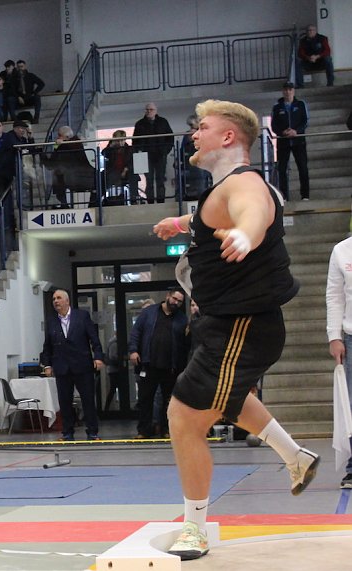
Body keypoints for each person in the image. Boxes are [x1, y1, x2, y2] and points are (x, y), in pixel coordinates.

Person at [151, 99, 318, 560]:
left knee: (184, 416)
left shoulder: (245, 183)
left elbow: (253, 210)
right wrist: (179, 223)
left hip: (243, 325)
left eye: (202, 127)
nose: (193, 134)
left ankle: (194, 528)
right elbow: (212, 216)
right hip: (228, 324)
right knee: (228, 397)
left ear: (228, 137)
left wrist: (247, 234)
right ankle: (296, 457)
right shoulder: (220, 191)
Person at [39, 290, 104, 440]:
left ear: (67, 301)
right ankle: (67, 433)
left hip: (82, 365)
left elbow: (94, 338)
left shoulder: (82, 316)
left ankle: (92, 432)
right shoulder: (52, 321)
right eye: (54, 299)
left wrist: (98, 357)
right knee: (65, 402)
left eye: (59, 298)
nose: (56, 301)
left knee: (88, 400)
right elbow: (47, 346)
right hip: (62, 367)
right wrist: (47, 365)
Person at [128, 287, 189, 439]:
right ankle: (144, 431)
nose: (176, 303)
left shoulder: (182, 319)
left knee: (169, 402)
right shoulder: (149, 313)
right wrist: (133, 350)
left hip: (171, 367)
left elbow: (185, 344)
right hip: (149, 364)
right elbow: (136, 332)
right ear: (168, 296)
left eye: (180, 301)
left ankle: (167, 430)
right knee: (145, 399)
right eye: (174, 299)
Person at [326, 235, 352, 489]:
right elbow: (334, 296)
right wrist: (334, 336)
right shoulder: (341, 251)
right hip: (351, 337)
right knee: (350, 404)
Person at [271, 82, 310, 201]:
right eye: (286, 90)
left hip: (298, 141)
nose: (288, 92)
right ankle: (284, 196)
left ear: (293, 91)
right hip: (283, 142)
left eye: (290, 89)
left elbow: (305, 121)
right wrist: (282, 132)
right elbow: (274, 125)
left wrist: (296, 131)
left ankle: (305, 195)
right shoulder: (277, 107)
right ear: (283, 91)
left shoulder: (301, 104)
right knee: (282, 169)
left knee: (302, 167)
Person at [133, 102, 174, 204]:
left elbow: (170, 137)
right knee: (149, 180)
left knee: (160, 179)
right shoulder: (139, 124)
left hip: (160, 155)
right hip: (146, 156)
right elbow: (135, 141)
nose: (149, 112)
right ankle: (150, 202)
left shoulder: (163, 122)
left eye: (151, 110)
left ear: (156, 111)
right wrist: (139, 151)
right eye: (147, 110)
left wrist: (166, 151)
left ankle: (161, 202)